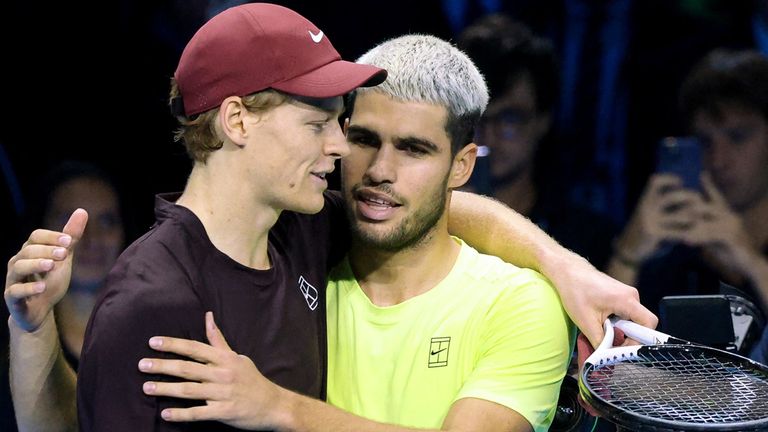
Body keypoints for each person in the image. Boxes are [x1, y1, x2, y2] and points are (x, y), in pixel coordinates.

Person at [4, 3, 655, 431]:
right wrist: (31, 333)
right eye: (325, 124)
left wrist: (566, 267)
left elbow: (448, 212)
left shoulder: (307, 231)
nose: (349, 153)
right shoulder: (154, 299)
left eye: (413, 149)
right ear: (237, 122)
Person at [135, 33, 573, 431]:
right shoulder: (293, 258)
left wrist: (278, 407)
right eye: (363, 140)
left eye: (413, 149)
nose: (380, 171)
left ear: (461, 165)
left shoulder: (520, 303)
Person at [607, 49, 768, 319]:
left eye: (738, 137)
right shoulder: (669, 250)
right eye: (705, 142)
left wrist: (749, 259)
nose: (718, 159)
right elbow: (599, 349)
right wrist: (629, 253)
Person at [457, 14, 617, 269]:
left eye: (509, 118)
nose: (488, 134)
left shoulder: (588, 237)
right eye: (476, 118)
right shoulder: (424, 225)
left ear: (543, 120)